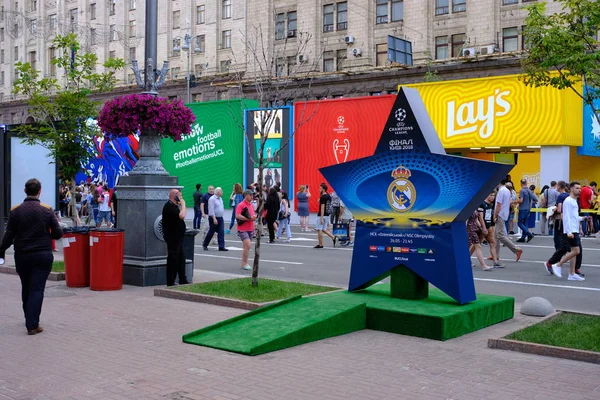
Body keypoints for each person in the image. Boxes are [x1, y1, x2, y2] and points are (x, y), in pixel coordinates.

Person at [0, 178, 64, 335]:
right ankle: (32, 324)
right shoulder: (47, 210)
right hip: (42, 255)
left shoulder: (16, 211)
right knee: (37, 289)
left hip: (22, 256)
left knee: (26, 287)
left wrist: (1, 249)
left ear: (24, 191)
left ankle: (29, 318)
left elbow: (8, 236)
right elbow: (58, 233)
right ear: (40, 191)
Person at [550, 182, 585, 281]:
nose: (579, 190)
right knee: (576, 251)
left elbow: (573, 217)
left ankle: (572, 273)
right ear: (571, 189)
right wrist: (569, 231)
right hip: (570, 230)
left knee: (573, 252)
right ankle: (558, 264)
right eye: (577, 188)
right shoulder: (568, 201)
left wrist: (582, 218)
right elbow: (566, 217)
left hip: (574, 229)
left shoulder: (574, 201)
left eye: (580, 188)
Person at [161, 189, 189, 286]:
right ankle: (170, 280)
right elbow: (182, 215)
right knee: (173, 258)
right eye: (179, 196)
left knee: (181, 257)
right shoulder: (169, 206)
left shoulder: (174, 206)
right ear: (174, 196)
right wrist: (183, 204)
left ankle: (182, 278)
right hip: (173, 237)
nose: (181, 198)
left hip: (178, 237)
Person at [494, 180, 523, 263]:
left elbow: (499, 205)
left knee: (500, 236)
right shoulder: (507, 191)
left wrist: (495, 215)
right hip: (504, 214)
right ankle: (496, 255)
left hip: (500, 214)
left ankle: (516, 249)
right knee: (496, 236)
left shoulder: (501, 191)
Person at [236, 190, 257, 271]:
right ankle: (244, 263)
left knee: (246, 247)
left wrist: (253, 223)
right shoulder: (241, 205)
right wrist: (248, 219)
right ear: (246, 196)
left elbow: (252, 216)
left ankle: (244, 262)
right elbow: (237, 216)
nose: (252, 197)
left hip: (250, 228)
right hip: (243, 229)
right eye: (250, 195)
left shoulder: (251, 205)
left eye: (252, 195)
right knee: (247, 245)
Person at [479, 191, 501, 267]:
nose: (493, 197)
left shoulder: (491, 205)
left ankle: (495, 262)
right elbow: (480, 217)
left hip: (489, 227)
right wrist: (483, 227)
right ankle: (468, 258)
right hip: (482, 227)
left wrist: (492, 225)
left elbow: (490, 217)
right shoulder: (482, 204)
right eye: (491, 195)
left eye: (494, 195)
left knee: (492, 243)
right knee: (476, 245)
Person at [315, 183, 337, 248]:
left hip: (322, 215)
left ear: (323, 189)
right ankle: (333, 237)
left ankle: (320, 244)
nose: (319, 189)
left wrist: (321, 218)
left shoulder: (323, 197)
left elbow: (322, 207)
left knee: (319, 229)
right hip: (327, 215)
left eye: (320, 188)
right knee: (324, 229)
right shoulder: (328, 196)